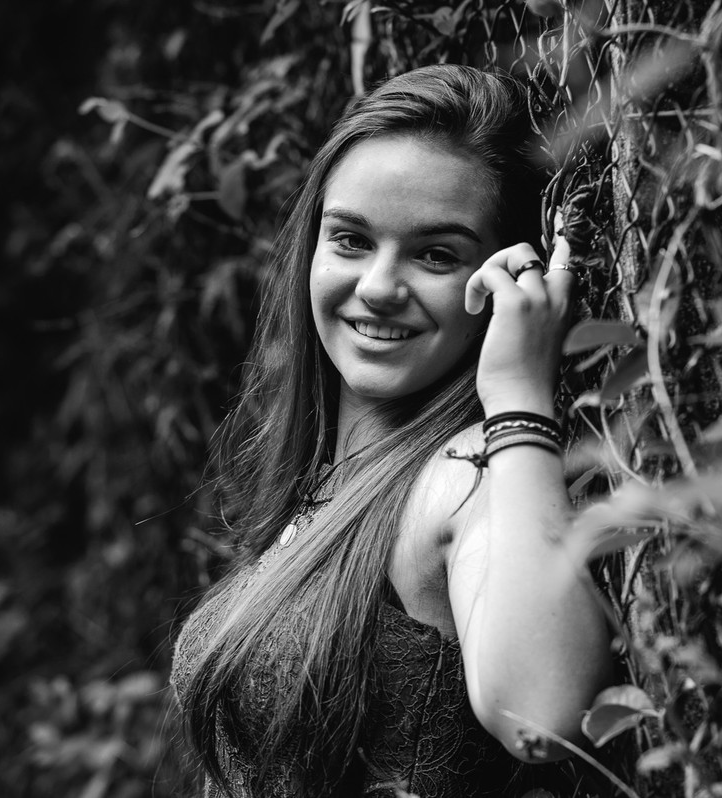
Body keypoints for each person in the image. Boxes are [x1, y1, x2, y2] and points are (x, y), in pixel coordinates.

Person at [172, 64, 614, 798]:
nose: (378, 287)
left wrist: (516, 395)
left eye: (436, 254)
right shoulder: (327, 482)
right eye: (350, 240)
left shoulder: (465, 473)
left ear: (503, 278)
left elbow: (545, 716)